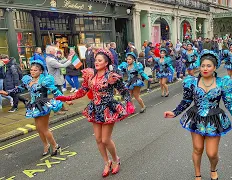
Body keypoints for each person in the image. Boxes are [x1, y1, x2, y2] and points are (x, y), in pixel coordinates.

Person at [164, 50, 232, 180]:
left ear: (215, 67)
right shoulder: (192, 82)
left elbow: (229, 101)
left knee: (212, 153)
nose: (205, 68)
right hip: (196, 117)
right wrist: (174, 112)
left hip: (214, 119)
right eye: (203, 65)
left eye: (208, 66)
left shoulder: (222, 82)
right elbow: (186, 100)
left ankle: (213, 169)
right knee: (198, 148)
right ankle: (197, 175)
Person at [56, 49, 134, 177]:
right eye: (96, 60)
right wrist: (67, 98)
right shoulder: (90, 75)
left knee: (105, 139)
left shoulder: (111, 76)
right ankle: (106, 162)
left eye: (100, 60)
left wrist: (129, 102)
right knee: (98, 139)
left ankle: (115, 160)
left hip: (108, 108)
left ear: (106, 62)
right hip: (95, 108)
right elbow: (82, 91)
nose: (96, 62)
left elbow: (123, 91)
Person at [0, 59, 72, 156]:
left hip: (43, 106)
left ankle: (55, 145)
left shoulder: (45, 80)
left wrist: (66, 99)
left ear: (41, 71)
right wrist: (8, 92)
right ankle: (46, 145)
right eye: (31, 70)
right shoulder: (28, 79)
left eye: (35, 70)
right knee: (38, 128)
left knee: (44, 129)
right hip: (34, 106)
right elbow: (20, 88)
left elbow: (55, 91)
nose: (32, 72)